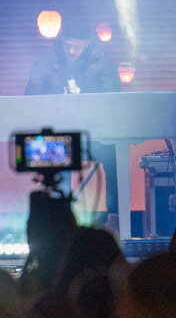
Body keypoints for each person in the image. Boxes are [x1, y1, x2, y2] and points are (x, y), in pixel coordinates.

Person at [25, 27, 122, 219]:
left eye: (76, 47)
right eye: (67, 45)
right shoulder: (46, 62)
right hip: (58, 132)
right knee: (56, 170)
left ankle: (116, 217)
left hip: (96, 133)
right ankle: (58, 218)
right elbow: (31, 97)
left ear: (86, 45)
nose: (71, 51)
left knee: (114, 162)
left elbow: (113, 98)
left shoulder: (102, 63)